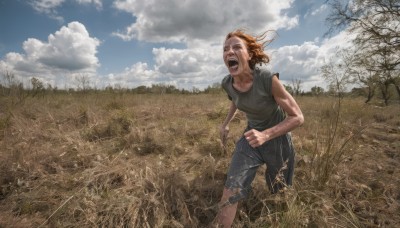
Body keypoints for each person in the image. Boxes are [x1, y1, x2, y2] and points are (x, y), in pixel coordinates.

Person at [216, 29, 304, 227]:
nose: (229, 52)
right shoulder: (227, 83)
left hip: (278, 140)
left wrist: (266, 135)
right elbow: (236, 100)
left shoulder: (266, 79)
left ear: (249, 55)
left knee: (279, 192)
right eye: (225, 49)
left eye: (237, 47)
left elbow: (297, 117)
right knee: (232, 186)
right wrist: (226, 123)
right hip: (251, 137)